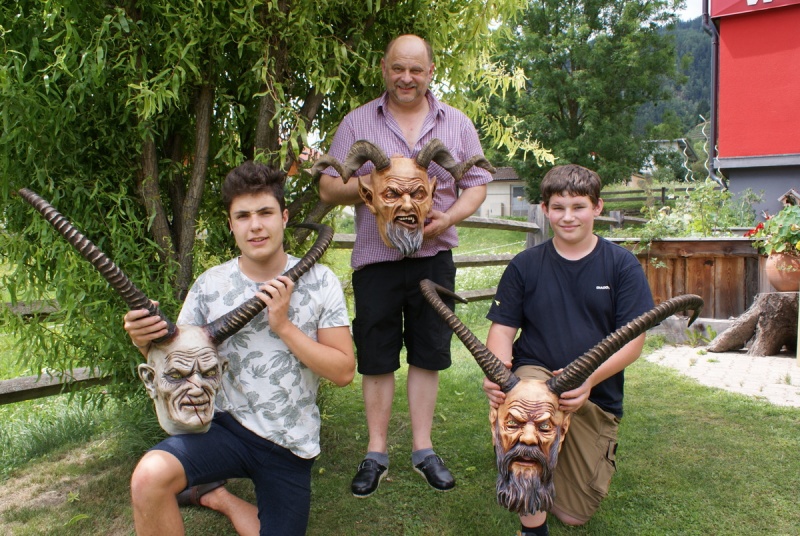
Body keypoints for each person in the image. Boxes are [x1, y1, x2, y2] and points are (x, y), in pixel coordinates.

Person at [123, 161, 355, 536]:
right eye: (243, 216)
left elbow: (343, 372)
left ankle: (219, 497)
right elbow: (174, 366)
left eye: (265, 213)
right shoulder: (209, 286)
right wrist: (142, 341)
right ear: (231, 225)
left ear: (283, 217)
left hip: (289, 441)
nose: (255, 226)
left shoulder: (320, 281)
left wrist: (283, 326)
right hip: (223, 427)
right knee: (148, 476)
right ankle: (212, 488)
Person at [318, 34, 492, 497]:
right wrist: (375, 189)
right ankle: (375, 452)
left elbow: (476, 183)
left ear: (431, 71)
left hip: (434, 256)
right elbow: (328, 187)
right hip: (375, 259)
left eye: (416, 69)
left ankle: (423, 449)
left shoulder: (456, 123)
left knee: (427, 351)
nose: (407, 78)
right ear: (384, 68)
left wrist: (448, 218)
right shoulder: (357, 121)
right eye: (398, 68)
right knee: (376, 354)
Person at [482, 164, 654, 536]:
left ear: (597, 207)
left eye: (578, 207)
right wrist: (497, 374)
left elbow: (634, 341)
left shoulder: (622, 266)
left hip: (594, 393)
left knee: (574, 514)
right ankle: (532, 524)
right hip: (534, 376)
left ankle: (554, 460)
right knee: (530, 404)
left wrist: (589, 380)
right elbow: (502, 330)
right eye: (558, 207)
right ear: (545, 209)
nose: (568, 216)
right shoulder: (525, 265)